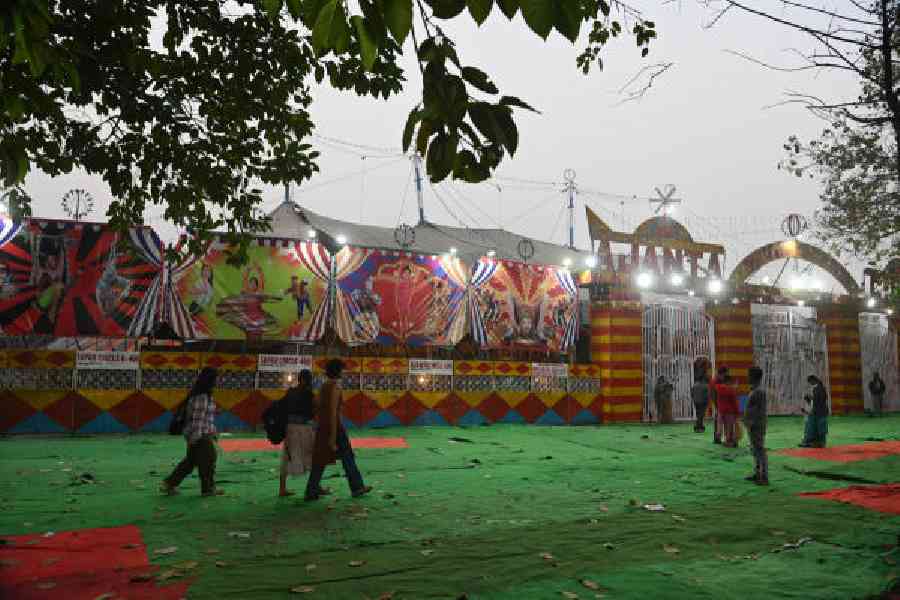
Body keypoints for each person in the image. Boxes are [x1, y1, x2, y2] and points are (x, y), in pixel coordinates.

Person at [305, 359, 372, 501]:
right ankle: (357, 487)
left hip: (322, 426)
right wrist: (333, 436)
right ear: (338, 371)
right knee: (348, 457)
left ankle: (311, 490)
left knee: (320, 459)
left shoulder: (324, 386)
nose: (344, 372)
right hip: (334, 427)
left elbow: (316, 403)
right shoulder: (335, 387)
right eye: (342, 369)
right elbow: (333, 412)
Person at [162, 368, 223, 497]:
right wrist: (196, 439)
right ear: (210, 380)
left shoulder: (204, 395)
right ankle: (208, 489)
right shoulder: (202, 397)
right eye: (216, 378)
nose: (218, 381)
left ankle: (169, 484)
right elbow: (198, 420)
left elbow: (204, 418)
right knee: (208, 460)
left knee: (190, 462)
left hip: (198, 434)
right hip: (200, 435)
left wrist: (212, 432)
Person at [279, 369, 317, 497]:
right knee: (312, 457)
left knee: (287, 457)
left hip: (290, 428)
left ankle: (282, 489)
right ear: (307, 380)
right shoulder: (309, 394)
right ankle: (315, 487)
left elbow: (283, 409)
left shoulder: (290, 392)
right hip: (304, 428)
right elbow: (312, 413)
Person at [743, 366, 768, 485]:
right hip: (753, 424)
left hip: (756, 425)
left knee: (759, 450)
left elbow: (758, 411)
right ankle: (757, 473)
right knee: (755, 450)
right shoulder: (754, 390)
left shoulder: (758, 392)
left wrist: (752, 423)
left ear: (754, 377)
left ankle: (763, 476)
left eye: (749, 375)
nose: (747, 377)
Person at [800, 375, 829, 448]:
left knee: (820, 428)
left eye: (810, 382)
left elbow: (820, 400)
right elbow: (818, 399)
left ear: (813, 380)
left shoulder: (819, 388)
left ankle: (821, 443)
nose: (810, 384)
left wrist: (811, 400)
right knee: (815, 428)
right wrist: (811, 398)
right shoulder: (818, 388)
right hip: (818, 411)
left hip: (820, 411)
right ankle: (816, 442)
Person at [715, 372, 739, 447]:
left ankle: (718, 433)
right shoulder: (731, 390)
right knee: (729, 426)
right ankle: (728, 440)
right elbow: (734, 402)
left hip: (720, 410)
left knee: (720, 424)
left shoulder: (718, 388)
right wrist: (737, 412)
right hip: (729, 411)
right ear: (729, 381)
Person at [710, 366, 728, 444]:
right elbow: (713, 395)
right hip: (719, 403)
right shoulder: (715, 381)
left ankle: (722, 437)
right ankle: (717, 438)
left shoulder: (720, 380)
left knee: (721, 421)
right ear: (721, 374)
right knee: (719, 421)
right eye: (725, 374)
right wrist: (717, 405)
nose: (726, 376)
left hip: (723, 403)